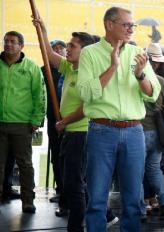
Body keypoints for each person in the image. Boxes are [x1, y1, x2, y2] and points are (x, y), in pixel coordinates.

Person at [77, 7, 161, 231]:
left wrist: (140, 74)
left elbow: (153, 93)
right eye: (126, 25)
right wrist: (113, 66)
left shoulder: (138, 53)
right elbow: (85, 93)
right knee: (96, 198)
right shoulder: (90, 53)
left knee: (133, 199)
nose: (131, 29)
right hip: (101, 130)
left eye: (133, 25)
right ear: (109, 24)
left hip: (134, 131)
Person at [33, 15, 98, 231]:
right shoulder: (70, 68)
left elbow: (86, 108)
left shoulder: (88, 75)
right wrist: (42, 29)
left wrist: (64, 122)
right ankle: (99, 216)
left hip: (80, 133)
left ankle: (76, 227)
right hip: (70, 132)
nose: (67, 49)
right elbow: (49, 54)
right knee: (73, 183)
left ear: (85, 51)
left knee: (74, 185)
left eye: (72, 46)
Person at [0, 31, 46, 213]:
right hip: (0, 123)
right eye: (6, 41)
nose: (8, 44)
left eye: (13, 42)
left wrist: (36, 120)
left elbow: (40, 95)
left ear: (21, 46)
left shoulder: (31, 68)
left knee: (25, 164)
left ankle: (28, 200)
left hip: (22, 124)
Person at [140, 42, 164, 217]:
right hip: (158, 132)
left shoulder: (137, 79)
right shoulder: (161, 80)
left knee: (136, 170)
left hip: (139, 131)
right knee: (154, 168)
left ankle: (140, 209)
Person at [43, 39, 67, 204]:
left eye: (61, 48)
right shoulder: (43, 70)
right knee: (56, 155)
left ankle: (69, 190)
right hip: (53, 120)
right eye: (54, 48)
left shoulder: (70, 69)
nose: (58, 51)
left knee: (69, 157)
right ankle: (61, 189)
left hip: (70, 119)